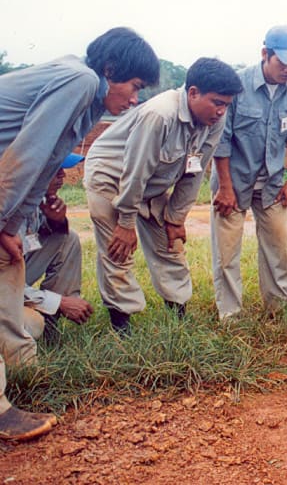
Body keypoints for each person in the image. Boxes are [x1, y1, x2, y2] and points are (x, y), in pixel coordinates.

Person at [0, 27, 159, 440]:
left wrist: (10, 227)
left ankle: (23, 370)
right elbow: (25, 155)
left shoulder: (87, 101)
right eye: (134, 86)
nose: (135, 98)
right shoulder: (81, 80)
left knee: (7, 266)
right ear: (110, 70)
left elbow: (44, 167)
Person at [84, 57, 243, 333]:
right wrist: (125, 223)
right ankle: (122, 327)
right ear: (193, 93)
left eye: (226, 105)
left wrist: (175, 217)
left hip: (152, 182)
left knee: (171, 246)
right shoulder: (159, 115)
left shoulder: (215, 119)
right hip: (112, 175)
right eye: (217, 102)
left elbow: (195, 171)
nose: (221, 111)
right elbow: (134, 173)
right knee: (118, 250)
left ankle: (177, 316)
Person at [210, 26, 287, 322]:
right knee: (227, 253)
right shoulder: (237, 86)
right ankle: (231, 315)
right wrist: (225, 187)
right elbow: (222, 140)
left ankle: (278, 309)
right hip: (234, 182)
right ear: (265, 54)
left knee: (277, 248)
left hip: (273, 184)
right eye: (283, 62)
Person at [22, 154, 93, 343]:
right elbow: (5, 285)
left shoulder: (36, 201)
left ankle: (50, 321)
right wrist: (58, 302)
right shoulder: (8, 209)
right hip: (5, 288)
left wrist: (57, 222)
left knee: (67, 238)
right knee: (32, 325)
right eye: (56, 169)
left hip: (12, 281)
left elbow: (41, 242)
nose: (62, 174)